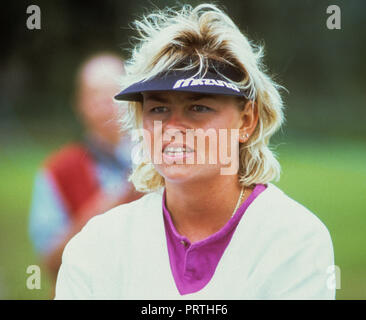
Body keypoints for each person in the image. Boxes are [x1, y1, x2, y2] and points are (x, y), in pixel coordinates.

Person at [54, 4, 335, 299]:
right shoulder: (98, 243)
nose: (173, 127)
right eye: (158, 108)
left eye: (198, 107)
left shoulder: (296, 239)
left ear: (247, 120)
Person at [29, 53, 143, 293]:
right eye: (95, 94)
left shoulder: (161, 162)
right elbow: (50, 263)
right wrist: (107, 207)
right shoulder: (56, 171)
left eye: (114, 92)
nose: (106, 103)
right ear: (79, 103)